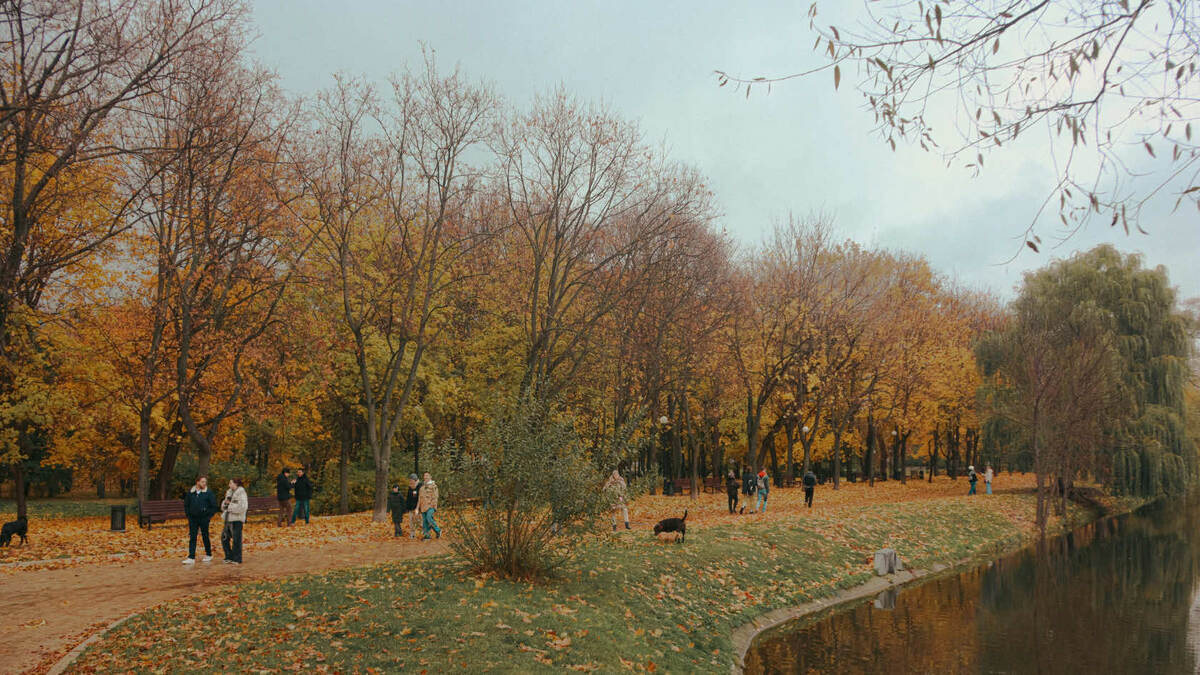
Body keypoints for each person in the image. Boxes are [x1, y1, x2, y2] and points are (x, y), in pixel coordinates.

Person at [182, 475, 217, 564]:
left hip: (204, 519)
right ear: (197, 482)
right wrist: (188, 515)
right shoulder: (191, 492)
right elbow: (186, 505)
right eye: (202, 482)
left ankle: (209, 554)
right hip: (193, 519)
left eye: (205, 482)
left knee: (205, 536)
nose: (204, 484)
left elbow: (213, 506)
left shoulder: (208, 493)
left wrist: (208, 516)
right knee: (193, 537)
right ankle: (191, 557)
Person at [221, 478, 248, 564]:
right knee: (224, 538)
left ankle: (237, 558)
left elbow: (242, 507)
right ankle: (229, 556)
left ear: (236, 484)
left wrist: (229, 506)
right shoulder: (229, 492)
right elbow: (224, 505)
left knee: (236, 539)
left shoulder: (241, 493)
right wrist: (225, 504)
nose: (229, 485)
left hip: (237, 519)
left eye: (230, 483)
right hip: (228, 519)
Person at [417, 471, 441, 540]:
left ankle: (438, 530)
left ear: (430, 477)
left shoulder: (434, 486)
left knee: (429, 518)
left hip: (431, 506)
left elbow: (435, 497)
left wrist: (432, 505)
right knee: (424, 521)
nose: (425, 477)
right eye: (424, 476)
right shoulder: (422, 488)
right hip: (423, 507)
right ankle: (427, 535)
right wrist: (417, 508)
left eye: (427, 476)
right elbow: (419, 498)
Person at [405, 474, 421, 539]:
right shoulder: (410, 488)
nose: (410, 482)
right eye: (410, 480)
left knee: (419, 522)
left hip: (418, 508)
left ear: (415, 480)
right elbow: (408, 498)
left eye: (412, 480)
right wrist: (407, 507)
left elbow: (420, 498)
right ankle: (412, 534)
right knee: (411, 521)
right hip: (411, 508)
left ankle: (426, 532)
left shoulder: (420, 487)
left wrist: (418, 508)